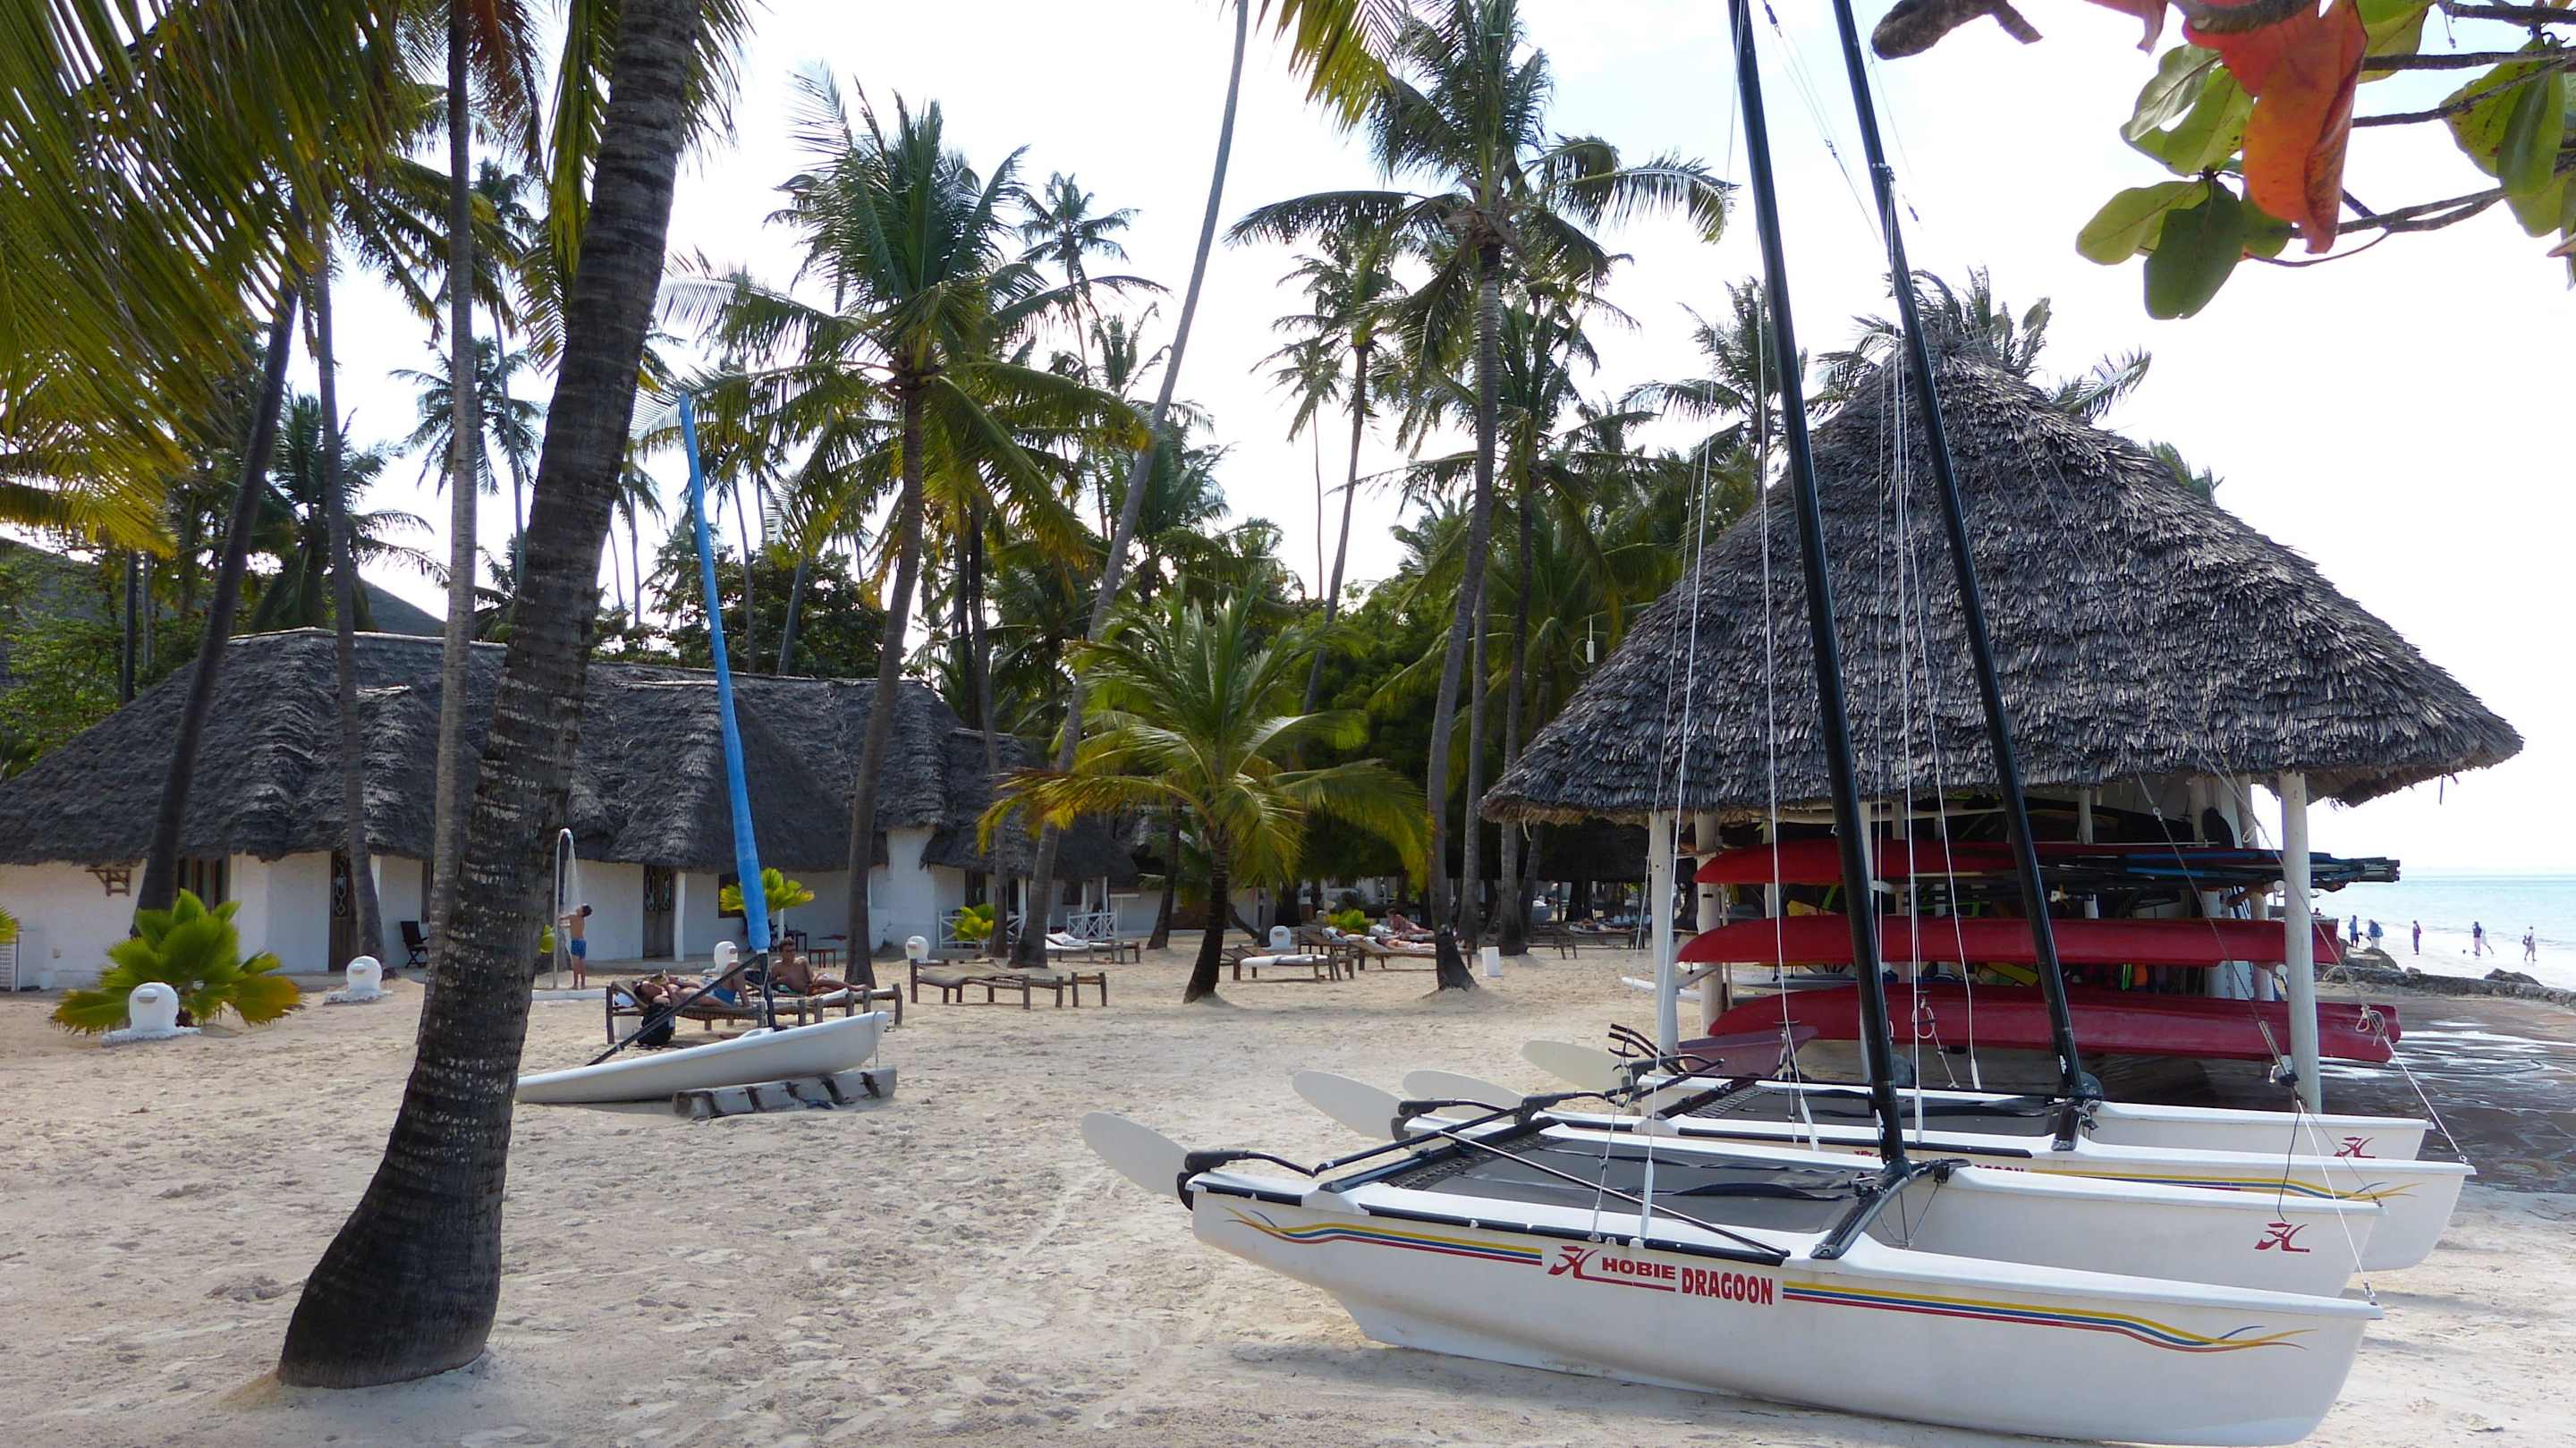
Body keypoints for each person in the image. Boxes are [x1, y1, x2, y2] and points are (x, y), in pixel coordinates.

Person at [557, 902, 593, 985]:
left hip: (576, 942)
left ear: (582, 912)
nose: (578, 907)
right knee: (582, 963)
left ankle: (575, 984)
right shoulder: (581, 920)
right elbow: (571, 926)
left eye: (580, 907)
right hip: (582, 942)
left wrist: (558, 917)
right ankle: (583, 983)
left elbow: (561, 918)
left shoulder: (572, 916)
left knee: (575, 965)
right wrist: (562, 926)